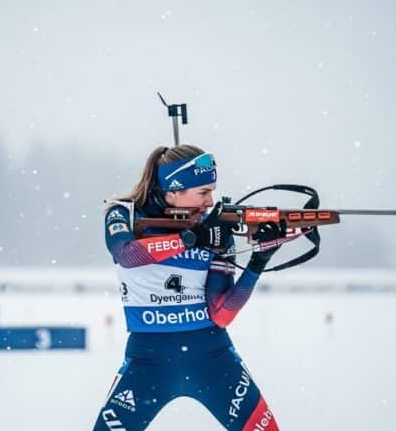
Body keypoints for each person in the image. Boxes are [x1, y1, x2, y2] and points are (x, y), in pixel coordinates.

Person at [93, 144, 285, 431]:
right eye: (203, 192)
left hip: (213, 358)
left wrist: (259, 261)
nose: (210, 203)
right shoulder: (124, 214)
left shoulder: (216, 230)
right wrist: (190, 239)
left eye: (212, 191)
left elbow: (221, 314)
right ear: (174, 190)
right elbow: (126, 254)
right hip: (148, 362)